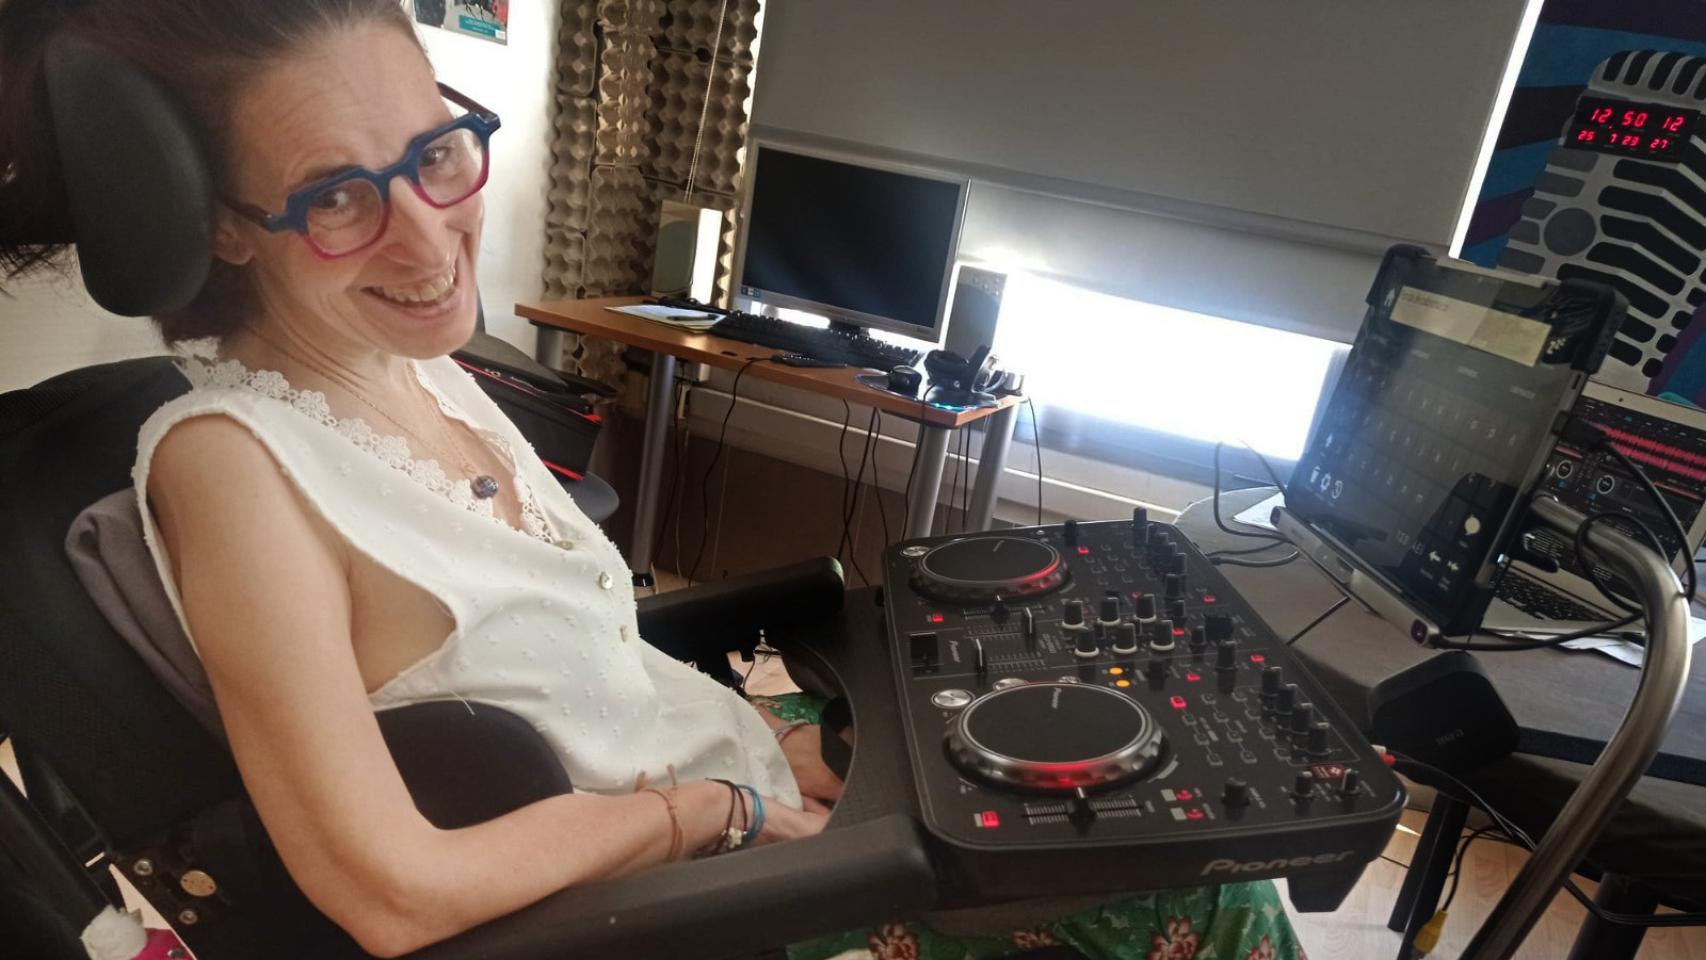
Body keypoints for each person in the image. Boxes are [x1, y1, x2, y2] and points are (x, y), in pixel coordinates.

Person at [0, 3, 1308, 958]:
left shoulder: (425, 374)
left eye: (437, 152)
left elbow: (593, 667)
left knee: (1136, 774)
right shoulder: (233, 471)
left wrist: (791, 745)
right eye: (339, 196)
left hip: (759, 814)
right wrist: (712, 813)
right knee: (1205, 884)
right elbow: (388, 895)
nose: (430, 236)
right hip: (709, 915)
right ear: (222, 228)